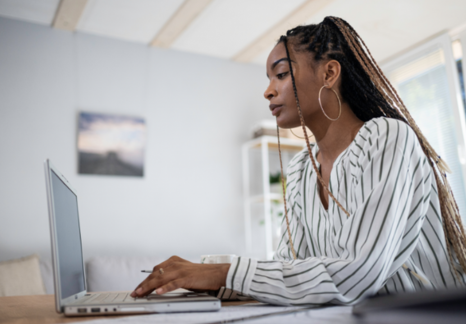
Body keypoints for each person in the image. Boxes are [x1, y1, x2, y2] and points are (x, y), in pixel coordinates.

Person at [130, 16, 466, 306]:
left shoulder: (388, 138)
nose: (268, 91)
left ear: (329, 73)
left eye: (280, 74)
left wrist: (222, 271)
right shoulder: (302, 171)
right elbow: (294, 274)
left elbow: (356, 273)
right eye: (268, 79)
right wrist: (205, 281)